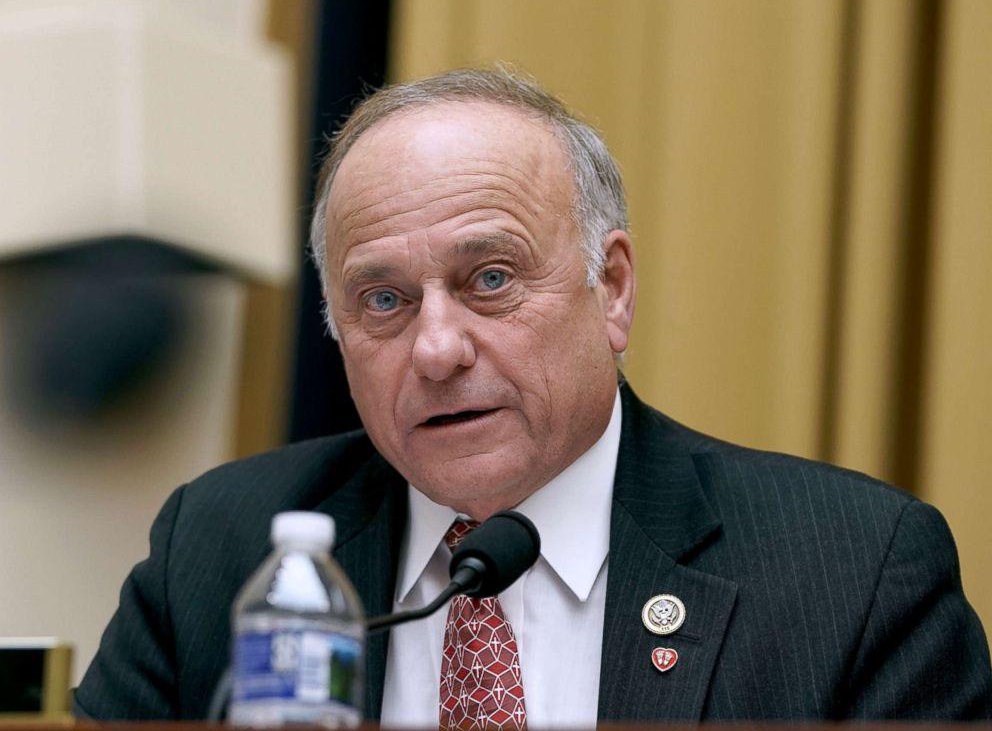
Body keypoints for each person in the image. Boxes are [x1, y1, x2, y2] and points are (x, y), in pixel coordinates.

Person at [75, 68, 992, 725]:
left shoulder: (851, 575)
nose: (436, 349)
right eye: (383, 300)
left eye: (491, 278)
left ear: (614, 287)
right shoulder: (220, 549)